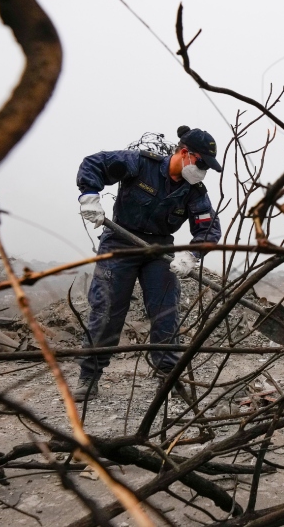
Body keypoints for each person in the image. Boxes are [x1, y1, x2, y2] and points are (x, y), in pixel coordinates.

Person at [72, 126, 223, 401]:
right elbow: (95, 163)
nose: (203, 171)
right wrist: (89, 196)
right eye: (201, 163)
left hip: (160, 249)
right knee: (107, 310)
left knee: (166, 313)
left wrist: (191, 256)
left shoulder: (194, 191)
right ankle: (89, 377)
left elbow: (209, 229)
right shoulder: (141, 164)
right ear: (185, 152)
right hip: (119, 242)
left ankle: (168, 378)